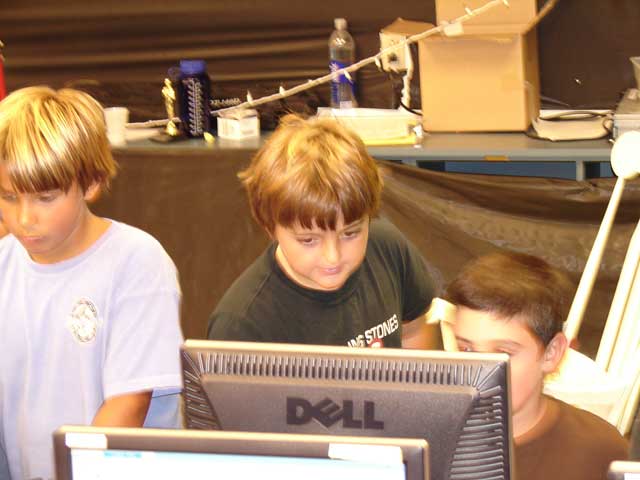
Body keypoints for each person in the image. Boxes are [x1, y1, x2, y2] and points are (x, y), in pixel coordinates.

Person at [0, 86, 184, 480]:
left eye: (45, 198)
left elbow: (127, 407)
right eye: (9, 197)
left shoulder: (137, 263)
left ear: (91, 183)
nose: (24, 218)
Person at [208, 114, 436, 348]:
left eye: (350, 233)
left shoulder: (389, 249)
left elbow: (414, 330)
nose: (332, 257)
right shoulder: (241, 326)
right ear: (270, 228)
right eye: (308, 240)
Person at [444, 251, 628, 480]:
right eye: (466, 349)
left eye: (503, 353)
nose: (478, 372)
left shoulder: (603, 453)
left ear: (552, 353)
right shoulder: (428, 438)